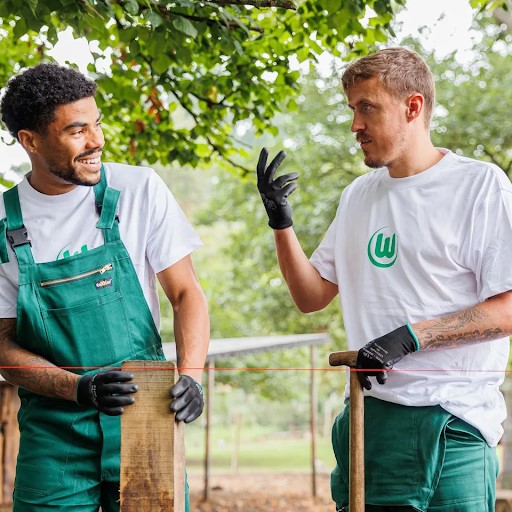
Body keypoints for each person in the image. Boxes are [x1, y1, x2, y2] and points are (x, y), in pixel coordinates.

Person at [257, 47, 512, 511]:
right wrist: (281, 223)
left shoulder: (481, 186)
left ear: (413, 107)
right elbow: (310, 295)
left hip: (451, 425)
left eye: (366, 108)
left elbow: (510, 307)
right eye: (352, 110)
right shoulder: (358, 195)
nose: (355, 125)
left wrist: (411, 338)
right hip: (369, 421)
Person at [0, 63, 209, 512]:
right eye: (77, 131)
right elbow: (2, 346)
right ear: (30, 140)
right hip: (53, 434)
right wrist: (79, 388)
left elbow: (186, 294)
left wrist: (191, 374)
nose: (96, 141)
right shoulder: (3, 224)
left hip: (146, 416)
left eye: (96, 123)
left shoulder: (139, 190)